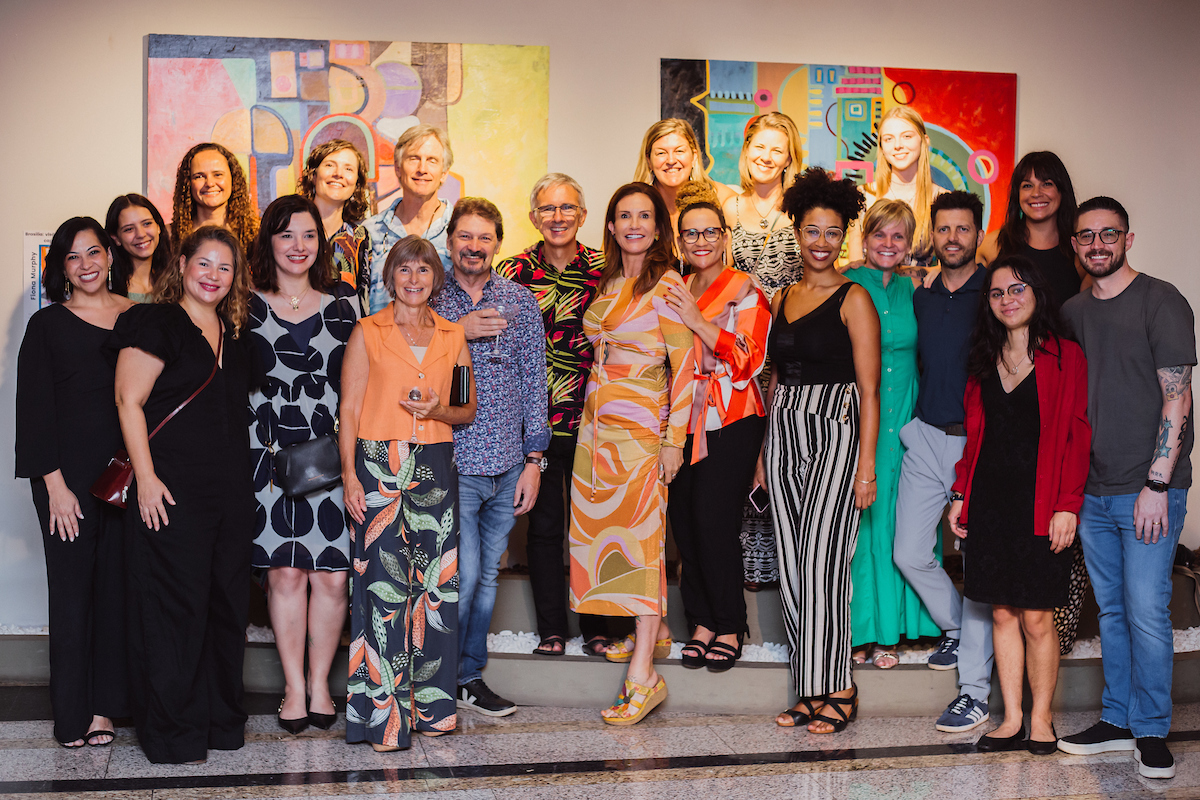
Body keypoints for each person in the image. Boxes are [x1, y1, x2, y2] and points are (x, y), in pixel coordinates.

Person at [1058, 197, 1195, 780]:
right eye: (1086, 236)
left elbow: (1177, 395)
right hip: (1092, 490)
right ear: (1074, 246)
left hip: (1148, 488)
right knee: (1111, 610)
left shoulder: (1162, 300)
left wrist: (1157, 482)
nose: (1097, 244)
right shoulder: (1070, 312)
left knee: (1145, 610)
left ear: (1128, 239)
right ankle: (1117, 720)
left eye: (1108, 234)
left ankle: (1152, 731)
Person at [111, 225, 255, 764]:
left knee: (224, 606)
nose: (214, 276)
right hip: (169, 490)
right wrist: (145, 480)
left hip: (229, 497)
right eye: (204, 264)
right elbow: (128, 401)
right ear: (183, 266)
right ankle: (174, 731)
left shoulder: (235, 333)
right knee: (175, 609)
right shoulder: (157, 321)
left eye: (225, 267)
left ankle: (220, 720)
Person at [948, 256, 1090, 755]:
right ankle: (1010, 719)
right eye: (997, 292)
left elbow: (1076, 433)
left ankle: (1042, 720)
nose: (1008, 298)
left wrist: (1067, 505)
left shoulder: (1065, 355)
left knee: (1036, 616)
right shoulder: (983, 359)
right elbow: (975, 435)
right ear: (988, 304)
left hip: (1042, 503)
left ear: (1036, 295)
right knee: (1003, 613)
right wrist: (961, 495)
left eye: (1018, 288)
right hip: (989, 501)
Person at [339, 234, 474, 750]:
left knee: (435, 592)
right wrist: (351, 476)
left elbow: (465, 410)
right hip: (377, 466)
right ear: (389, 278)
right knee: (383, 591)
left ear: (435, 279)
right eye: (404, 270)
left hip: (436, 463)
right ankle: (384, 718)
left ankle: (434, 710)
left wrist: (437, 409)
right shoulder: (367, 332)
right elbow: (348, 410)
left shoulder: (452, 335)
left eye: (423, 270)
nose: (413, 279)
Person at [569, 183, 695, 725]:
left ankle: (643, 675)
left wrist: (674, 441)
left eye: (645, 216)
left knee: (642, 545)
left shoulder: (668, 284)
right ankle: (657, 630)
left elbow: (685, 367)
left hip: (642, 431)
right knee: (607, 536)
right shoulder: (609, 279)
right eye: (625, 216)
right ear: (613, 226)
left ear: (658, 227)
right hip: (597, 431)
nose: (635, 224)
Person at [759, 167, 879, 734]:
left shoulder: (855, 299)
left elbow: (869, 389)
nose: (822, 242)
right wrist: (763, 451)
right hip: (784, 429)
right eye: (812, 230)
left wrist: (867, 465)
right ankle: (810, 690)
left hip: (837, 428)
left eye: (833, 232)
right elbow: (775, 380)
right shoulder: (781, 297)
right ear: (797, 231)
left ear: (844, 235)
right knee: (790, 561)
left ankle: (840, 690)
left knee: (822, 562)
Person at [16, 217, 134, 748]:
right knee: (71, 595)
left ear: (110, 256)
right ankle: (71, 715)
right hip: (64, 481)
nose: (86, 264)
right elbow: (33, 411)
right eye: (72, 257)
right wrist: (55, 487)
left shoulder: (139, 318)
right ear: (61, 268)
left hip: (125, 478)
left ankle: (104, 710)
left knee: (115, 593)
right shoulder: (47, 326)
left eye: (93, 252)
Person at [430, 197, 549, 717]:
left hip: (508, 464)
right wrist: (457, 332)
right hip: (455, 460)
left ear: (497, 243)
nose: (474, 246)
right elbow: (407, 369)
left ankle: (465, 677)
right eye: (465, 236)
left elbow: (533, 381)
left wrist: (534, 459)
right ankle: (452, 676)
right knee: (466, 571)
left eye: (485, 237)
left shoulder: (519, 301)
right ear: (450, 239)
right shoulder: (428, 298)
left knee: (487, 577)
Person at [246, 195, 359, 735]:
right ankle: (294, 687)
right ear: (269, 241)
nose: (298, 245)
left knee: (333, 579)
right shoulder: (241, 305)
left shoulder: (346, 307)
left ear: (321, 243)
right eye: (286, 234)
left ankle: (321, 684)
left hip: (331, 460)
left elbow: (358, 390)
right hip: (266, 461)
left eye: (309, 235)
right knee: (285, 572)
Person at [495, 173, 613, 658]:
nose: (558, 217)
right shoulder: (513, 271)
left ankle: (599, 627)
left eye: (568, 208)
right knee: (542, 529)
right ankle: (551, 630)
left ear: (583, 216)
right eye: (548, 209)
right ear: (533, 217)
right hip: (535, 426)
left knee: (594, 526)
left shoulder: (608, 270)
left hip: (594, 419)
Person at [891, 191, 995, 734]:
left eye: (963, 229)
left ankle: (975, 692)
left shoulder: (997, 292)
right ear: (934, 235)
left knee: (975, 567)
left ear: (979, 234)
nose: (953, 238)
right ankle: (956, 629)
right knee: (909, 551)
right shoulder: (922, 293)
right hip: (927, 439)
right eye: (944, 229)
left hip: (976, 444)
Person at [664, 182, 770, 671]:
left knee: (714, 520)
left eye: (710, 231)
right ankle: (701, 619)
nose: (700, 240)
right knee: (684, 522)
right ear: (680, 240)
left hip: (731, 419)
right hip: (682, 419)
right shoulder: (676, 287)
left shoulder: (746, 289)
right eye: (691, 234)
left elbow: (749, 359)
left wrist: (697, 322)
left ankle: (730, 623)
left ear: (725, 236)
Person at [844, 200, 941, 669]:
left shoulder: (915, 291)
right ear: (864, 240)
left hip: (907, 423)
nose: (888, 244)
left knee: (905, 525)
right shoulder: (845, 284)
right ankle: (864, 629)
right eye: (880, 235)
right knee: (864, 527)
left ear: (909, 244)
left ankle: (902, 628)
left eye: (898, 236)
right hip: (859, 422)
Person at [722, 113, 805, 590]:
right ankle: (739, 574)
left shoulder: (800, 213)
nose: (766, 157)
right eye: (759, 147)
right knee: (738, 458)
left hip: (789, 353)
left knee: (780, 457)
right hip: (738, 353)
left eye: (777, 149)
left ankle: (780, 574)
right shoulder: (729, 212)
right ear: (746, 150)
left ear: (789, 157)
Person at [349, 125, 454, 315]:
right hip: (380, 343)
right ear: (398, 168)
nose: (422, 169)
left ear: (444, 174)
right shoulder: (369, 232)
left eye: (432, 160)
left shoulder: (461, 233)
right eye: (414, 158)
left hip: (445, 343)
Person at [980, 151, 1083, 308]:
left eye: (1047, 184)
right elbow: (958, 275)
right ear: (1017, 194)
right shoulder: (993, 244)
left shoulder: (1080, 249)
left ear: (1062, 191)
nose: (1036, 193)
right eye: (1027, 186)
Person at [845, 107, 946, 266]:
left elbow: (946, 271)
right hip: (869, 290)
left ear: (924, 140)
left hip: (919, 290)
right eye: (889, 139)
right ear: (881, 147)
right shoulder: (862, 195)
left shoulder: (942, 200)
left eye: (907, 136)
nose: (898, 145)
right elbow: (856, 266)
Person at [634, 118, 735, 230]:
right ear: (649, 161)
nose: (671, 161)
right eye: (661, 153)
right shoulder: (634, 206)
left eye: (679, 151)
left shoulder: (722, 199)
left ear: (694, 156)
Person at [170, 142, 259, 255]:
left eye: (218, 174)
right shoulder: (169, 237)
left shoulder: (256, 235)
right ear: (188, 184)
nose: (210, 183)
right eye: (199, 176)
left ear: (233, 179)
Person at [298, 139, 374, 241]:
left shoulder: (360, 239)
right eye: (330, 165)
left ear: (357, 183)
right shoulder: (286, 227)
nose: (338, 173)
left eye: (348, 169)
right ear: (313, 176)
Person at [105, 194, 172, 302]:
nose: (141, 234)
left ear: (158, 226)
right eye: (129, 229)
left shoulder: (176, 285)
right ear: (116, 238)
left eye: (147, 224)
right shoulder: (109, 292)